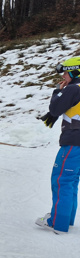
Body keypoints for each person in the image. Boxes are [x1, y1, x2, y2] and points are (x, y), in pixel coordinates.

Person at [36, 57, 80, 234]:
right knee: (72, 180)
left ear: (74, 71)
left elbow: (55, 109)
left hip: (73, 141)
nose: (63, 76)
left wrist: (57, 92)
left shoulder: (73, 89)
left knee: (62, 180)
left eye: (65, 72)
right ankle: (66, 219)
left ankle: (57, 223)